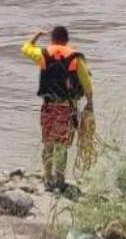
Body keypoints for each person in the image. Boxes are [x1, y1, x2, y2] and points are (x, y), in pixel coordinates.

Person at [21, 26, 93, 194]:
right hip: (66, 108)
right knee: (61, 145)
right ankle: (60, 180)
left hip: (48, 107)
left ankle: (47, 177)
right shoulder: (75, 57)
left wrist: (37, 35)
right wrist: (90, 103)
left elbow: (25, 48)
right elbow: (87, 83)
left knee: (48, 143)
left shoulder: (43, 54)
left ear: (52, 39)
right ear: (66, 40)